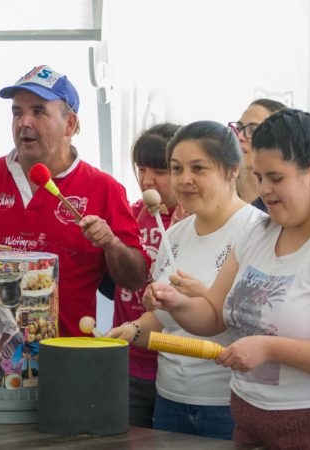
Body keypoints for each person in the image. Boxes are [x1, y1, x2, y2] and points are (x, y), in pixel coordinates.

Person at [146, 110, 310, 448]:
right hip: (255, 419)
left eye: (276, 178)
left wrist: (270, 348)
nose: (264, 190)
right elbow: (214, 314)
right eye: (258, 176)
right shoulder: (256, 234)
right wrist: (177, 304)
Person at [0, 65, 148, 336]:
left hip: (67, 358)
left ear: (70, 124)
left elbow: (134, 279)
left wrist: (111, 244)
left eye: (38, 111)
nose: (24, 122)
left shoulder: (104, 189)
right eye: (17, 112)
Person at [109, 121, 266, 439]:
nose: (185, 180)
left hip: (228, 403)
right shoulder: (177, 233)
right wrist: (134, 329)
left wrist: (203, 297)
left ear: (232, 169)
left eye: (198, 168)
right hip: (170, 398)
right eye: (177, 169)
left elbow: (262, 323)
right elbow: (162, 317)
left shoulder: (258, 231)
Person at [100, 122, 187, 428]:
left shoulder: (195, 222)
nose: (147, 180)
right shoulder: (127, 213)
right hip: (127, 363)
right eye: (141, 168)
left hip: (177, 367)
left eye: (160, 170)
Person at [228, 98, 287, 212]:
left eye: (253, 130)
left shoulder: (282, 209)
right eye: (239, 128)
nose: (239, 136)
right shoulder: (219, 196)